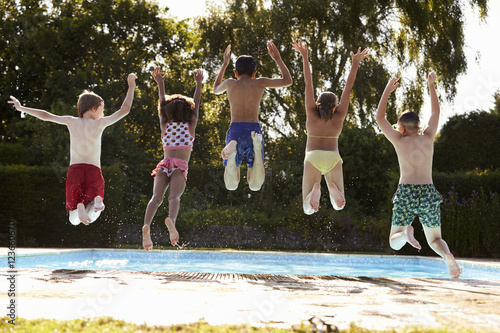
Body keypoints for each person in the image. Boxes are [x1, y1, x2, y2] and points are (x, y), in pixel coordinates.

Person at [8, 73, 137, 226]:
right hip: (94, 170)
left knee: (73, 218)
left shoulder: (71, 121)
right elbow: (125, 110)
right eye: (103, 109)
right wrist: (131, 87)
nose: (103, 113)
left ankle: (80, 208)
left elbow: (46, 115)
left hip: (75, 170)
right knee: (94, 209)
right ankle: (95, 203)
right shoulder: (100, 123)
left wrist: (21, 107)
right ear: (94, 109)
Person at [376, 72, 460, 279]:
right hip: (428, 191)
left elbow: (379, 117)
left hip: (406, 191)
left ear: (402, 128)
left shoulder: (399, 140)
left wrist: (387, 89)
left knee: (394, 241)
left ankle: (405, 233)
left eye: (398, 126)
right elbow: (435, 112)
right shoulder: (428, 137)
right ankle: (447, 255)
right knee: (435, 240)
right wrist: (431, 85)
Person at [292, 39, 368, 214]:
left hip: (312, 156)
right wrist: (355, 64)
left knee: (307, 209)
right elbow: (347, 89)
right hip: (333, 156)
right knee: (339, 205)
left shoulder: (311, 113)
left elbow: (308, 83)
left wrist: (305, 57)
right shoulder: (339, 116)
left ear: (317, 103)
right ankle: (333, 192)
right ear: (335, 106)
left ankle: (314, 192)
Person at [213, 41, 293, 191]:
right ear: (254, 73)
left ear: (235, 72)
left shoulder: (230, 83)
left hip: (235, 129)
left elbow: (215, 89)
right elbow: (288, 81)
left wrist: (224, 64)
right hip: (253, 130)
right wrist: (277, 58)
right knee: (255, 186)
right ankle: (257, 148)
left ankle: (232, 155)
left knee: (231, 185)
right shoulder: (259, 82)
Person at [142, 67, 203, 250]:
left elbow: (161, 105)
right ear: (188, 112)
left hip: (164, 164)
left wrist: (160, 84)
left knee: (155, 197)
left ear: (167, 112)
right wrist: (198, 84)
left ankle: (146, 225)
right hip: (180, 165)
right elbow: (197, 103)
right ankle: (171, 220)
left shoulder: (165, 126)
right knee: (174, 196)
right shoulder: (190, 125)